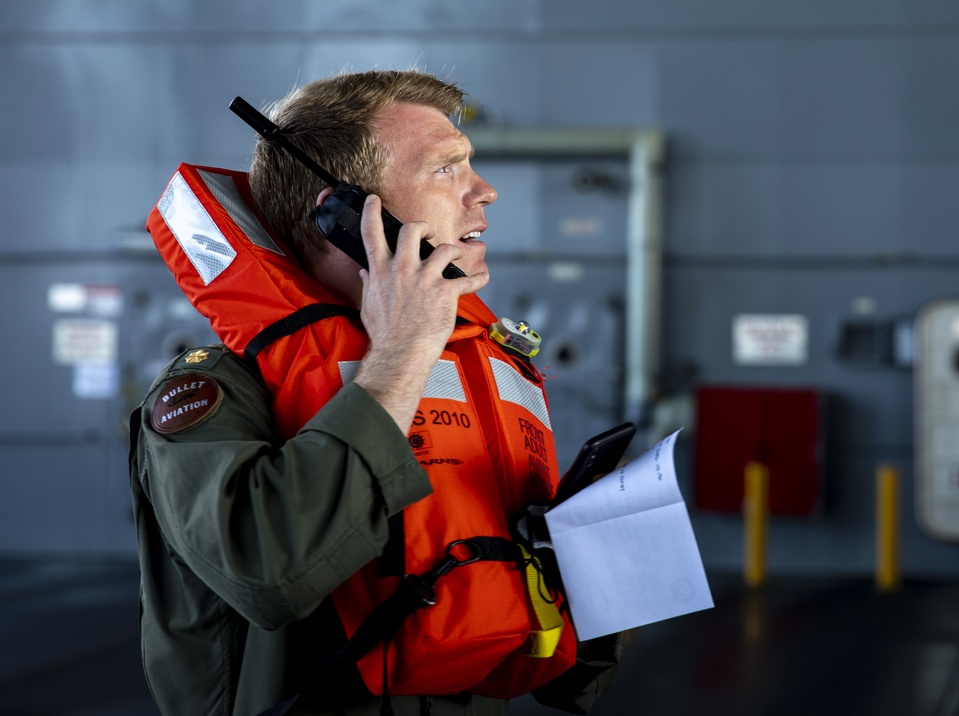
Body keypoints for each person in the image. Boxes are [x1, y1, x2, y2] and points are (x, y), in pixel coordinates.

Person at [129, 69, 622, 716]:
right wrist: (400, 353)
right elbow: (273, 572)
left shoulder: (488, 371)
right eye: (446, 170)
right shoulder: (217, 389)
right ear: (344, 217)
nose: (485, 192)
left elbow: (570, 668)